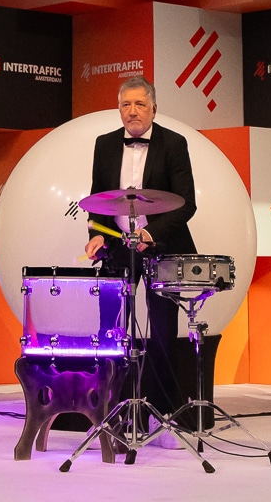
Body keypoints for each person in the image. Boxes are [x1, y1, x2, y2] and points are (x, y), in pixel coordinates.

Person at [84, 76, 196, 447]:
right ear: (119, 109)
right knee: (110, 329)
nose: (132, 111)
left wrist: (151, 234)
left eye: (140, 104)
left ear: (154, 109)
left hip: (161, 245)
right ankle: (111, 414)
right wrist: (96, 235)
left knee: (162, 330)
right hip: (118, 247)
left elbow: (186, 203)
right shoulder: (103, 144)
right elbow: (98, 201)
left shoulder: (174, 143)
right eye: (126, 105)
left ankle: (161, 417)